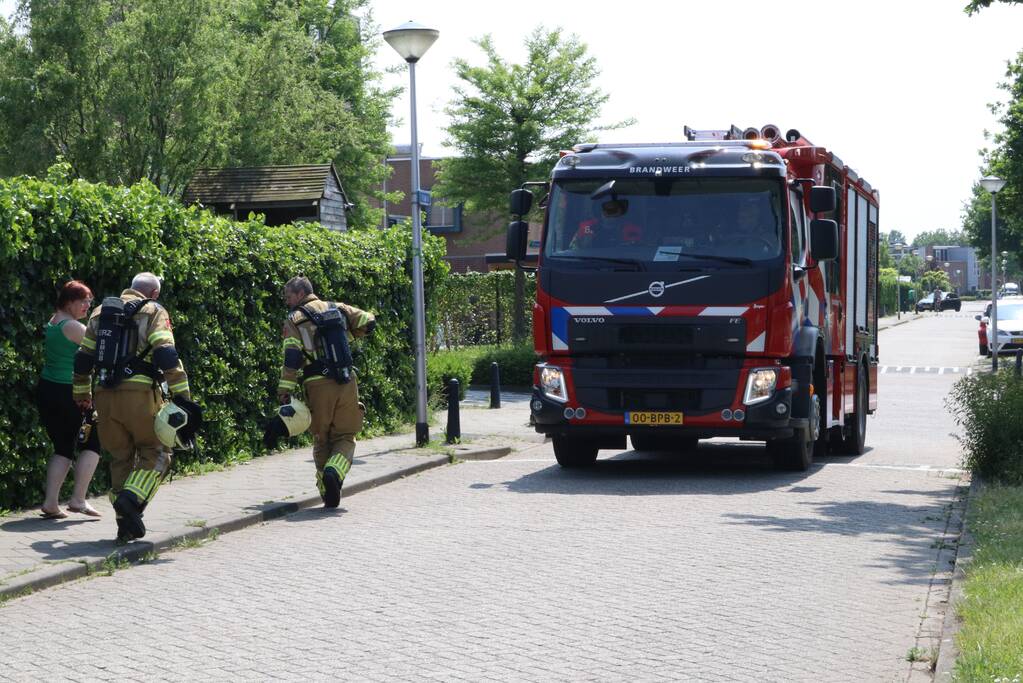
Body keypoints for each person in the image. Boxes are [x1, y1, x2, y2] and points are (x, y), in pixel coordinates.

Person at [72, 272, 191, 543]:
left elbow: (83, 359)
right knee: (157, 453)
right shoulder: (154, 310)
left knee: (120, 459)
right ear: (154, 293)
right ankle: (131, 499)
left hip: (104, 396)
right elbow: (166, 354)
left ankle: (124, 526)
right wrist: (183, 396)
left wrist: (81, 394)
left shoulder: (99, 313)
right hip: (140, 396)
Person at [278, 276, 376, 508]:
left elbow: (292, 357)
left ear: (301, 294)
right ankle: (335, 472)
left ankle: (326, 488)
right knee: (345, 436)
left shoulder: (294, 319)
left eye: (289, 296)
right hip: (346, 381)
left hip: (317, 385)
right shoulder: (337, 308)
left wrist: (285, 390)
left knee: (322, 437)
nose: (287, 301)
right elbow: (369, 321)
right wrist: (347, 336)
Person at [35, 280, 102, 519]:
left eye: (89, 302)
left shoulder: (53, 322)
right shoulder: (73, 326)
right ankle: (78, 499)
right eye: (83, 301)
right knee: (93, 443)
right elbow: (100, 351)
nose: (87, 306)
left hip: (48, 389)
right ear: (69, 301)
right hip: (72, 393)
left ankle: (50, 503)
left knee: (63, 447)